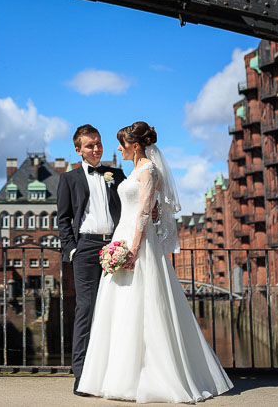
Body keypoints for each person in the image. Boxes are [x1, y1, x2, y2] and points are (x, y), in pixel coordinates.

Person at [77, 121, 233, 403]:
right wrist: (122, 243)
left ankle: (149, 376)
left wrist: (134, 248)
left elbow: (146, 215)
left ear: (135, 146)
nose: (118, 149)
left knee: (145, 305)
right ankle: (114, 375)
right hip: (122, 237)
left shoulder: (148, 170)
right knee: (119, 307)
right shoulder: (135, 170)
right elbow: (151, 208)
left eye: (121, 144)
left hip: (137, 243)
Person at [56, 124, 126, 395]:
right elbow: (63, 218)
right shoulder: (69, 179)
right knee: (85, 309)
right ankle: (82, 375)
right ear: (78, 150)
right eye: (89, 145)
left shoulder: (116, 174)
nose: (96, 149)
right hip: (85, 248)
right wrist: (72, 249)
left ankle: (113, 372)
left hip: (115, 246)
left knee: (117, 308)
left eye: (98, 143)